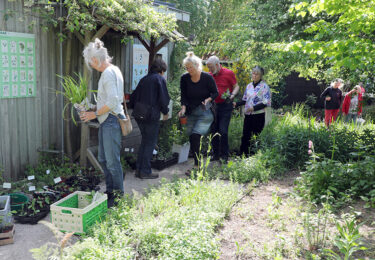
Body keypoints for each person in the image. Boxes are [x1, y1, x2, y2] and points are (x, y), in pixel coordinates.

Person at [80, 38, 125, 207]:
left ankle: (118, 196)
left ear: (94, 60)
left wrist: (94, 114)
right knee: (105, 159)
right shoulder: (113, 70)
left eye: (90, 63)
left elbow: (113, 100)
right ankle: (111, 191)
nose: (91, 66)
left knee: (112, 161)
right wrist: (92, 107)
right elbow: (110, 99)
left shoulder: (107, 74)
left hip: (110, 120)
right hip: (107, 120)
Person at [128, 58, 170, 179]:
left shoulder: (144, 79)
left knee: (145, 142)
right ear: (161, 70)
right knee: (150, 143)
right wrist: (165, 112)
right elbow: (163, 99)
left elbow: (133, 97)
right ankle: (145, 171)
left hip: (139, 115)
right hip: (151, 116)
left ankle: (139, 170)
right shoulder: (159, 79)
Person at [178, 52, 218, 175]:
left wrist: (208, 99)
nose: (189, 70)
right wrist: (183, 108)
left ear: (197, 65)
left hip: (205, 111)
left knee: (196, 135)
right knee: (192, 137)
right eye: (187, 68)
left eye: (191, 67)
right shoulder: (184, 78)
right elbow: (184, 96)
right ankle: (198, 164)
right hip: (190, 111)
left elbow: (215, 93)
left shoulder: (207, 77)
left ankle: (197, 166)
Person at [206, 56, 239, 162]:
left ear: (217, 65)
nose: (209, 70)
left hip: (226, 105)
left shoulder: (229, 73)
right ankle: (215, 155)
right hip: (214, 106)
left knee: (223, 131)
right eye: (208, 68)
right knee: (214, 130)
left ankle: (224, 156)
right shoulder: (210, 75)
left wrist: (232, 95)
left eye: (211, 67)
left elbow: (236, 86)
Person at [234, 66, 271, 156]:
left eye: (256, 74)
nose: (254, 75)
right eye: (253, 73)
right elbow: (245, 100)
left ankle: (254, 155)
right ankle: (243, 154)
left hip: (258, 115)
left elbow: (265, 102)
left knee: (255, 135)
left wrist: (253, 108)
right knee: (245, 134)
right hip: (248, 114)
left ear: (261, 75)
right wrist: (236, 104)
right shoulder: (249, 86)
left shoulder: (265, 86)